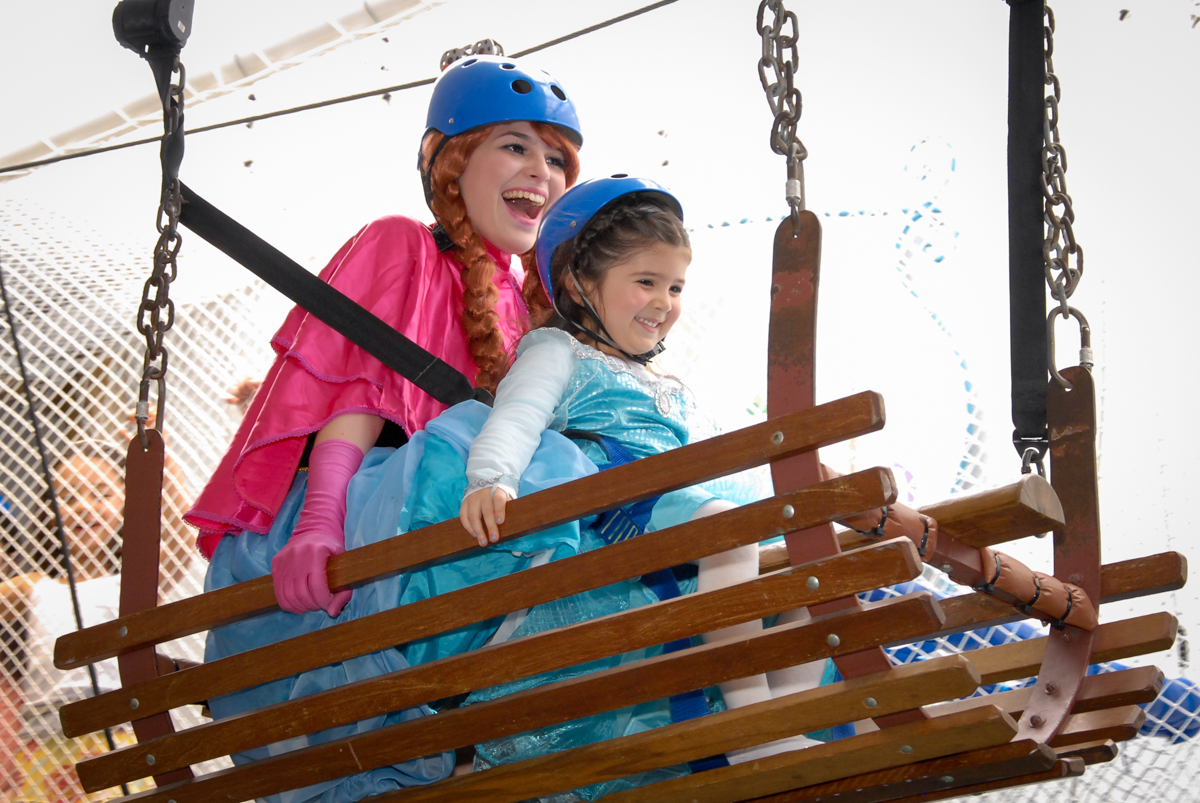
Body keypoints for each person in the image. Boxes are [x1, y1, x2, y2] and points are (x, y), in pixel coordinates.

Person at [196, 54, 582, 802]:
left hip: (421, 533)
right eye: (515, 146)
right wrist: (319, 515)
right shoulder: (404, 242)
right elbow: (356, 386)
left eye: (557, 159)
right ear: (453, 163)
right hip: (337, 518)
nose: (541, 170)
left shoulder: (519, 303)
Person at [0, 443, 191, 802]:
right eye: (68, 497)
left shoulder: (133, 583)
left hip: (121, 731)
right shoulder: (32, 587)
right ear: (47, 511)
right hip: (43, 741)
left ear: (126, 502)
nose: (84, 507)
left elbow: (181, 541)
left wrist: (166, 465)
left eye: (101, 493)